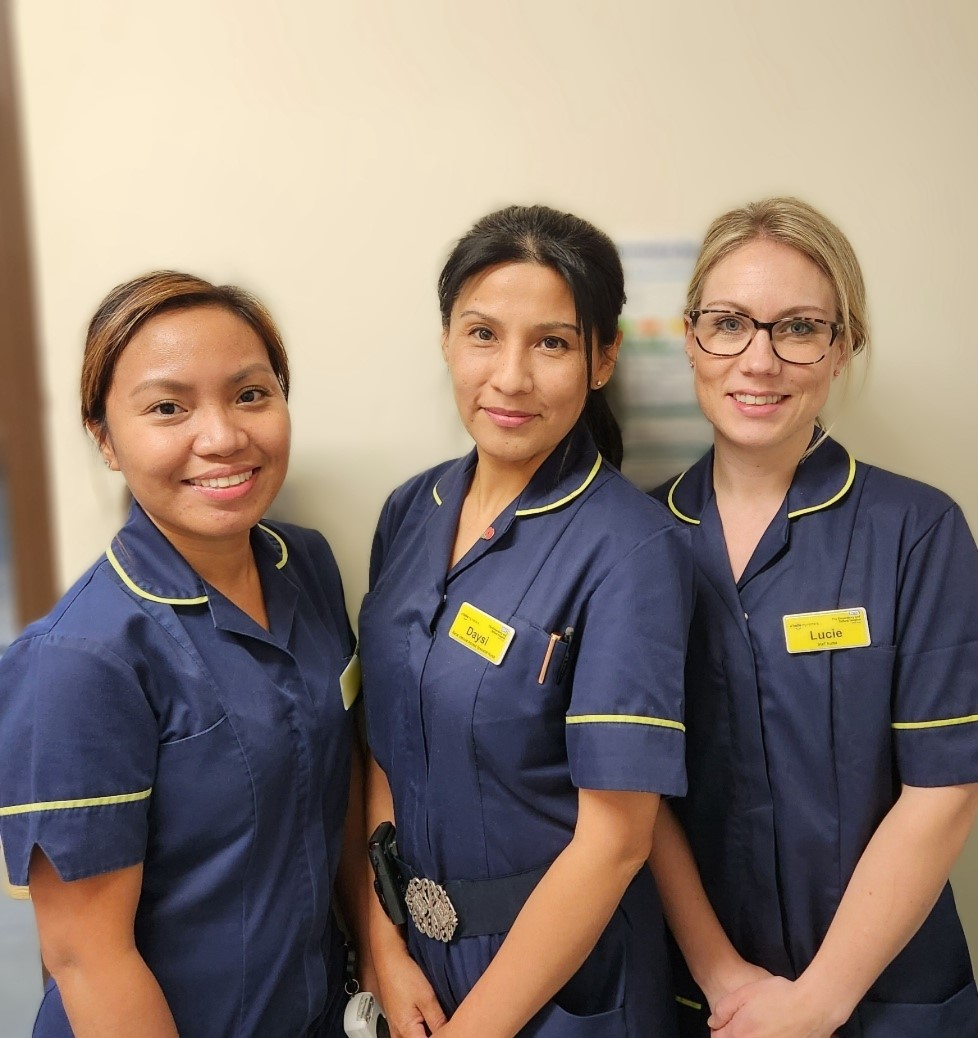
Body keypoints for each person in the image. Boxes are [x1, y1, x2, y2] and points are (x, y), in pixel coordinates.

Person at [0, 272, 368, 1037]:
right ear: (104, 438)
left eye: (250, 395)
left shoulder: (305, 566)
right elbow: (85, 960)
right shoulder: (78, 659)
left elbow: (336, 794)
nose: (223, 437)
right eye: (168, 408)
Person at [359, 204, 693, 1038]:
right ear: (446, 340)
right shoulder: (413, 509)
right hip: (417, 965)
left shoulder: (631, 548)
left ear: (603, 356)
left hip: (561, 984)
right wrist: (382, 944)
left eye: (551, 342)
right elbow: (383, 743)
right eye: (482, 334)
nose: (509, 377)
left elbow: (616, 841)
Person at [648, 197, 978, 1037]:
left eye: (798, 328)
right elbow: (633, 789)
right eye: (728, 323)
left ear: (842, 350)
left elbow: (945, 790)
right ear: (690, 338)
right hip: (705, 999)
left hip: (886, 1000)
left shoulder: (919, 531)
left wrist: (815, 1003)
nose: (759, 360)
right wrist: (724, 980)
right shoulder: (634, 540)